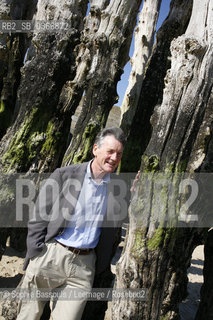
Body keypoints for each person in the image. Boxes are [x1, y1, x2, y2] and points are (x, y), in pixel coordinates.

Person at [17, 126, 128, 320]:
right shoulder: (64, 174)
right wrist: (36, 250)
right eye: (110, 151)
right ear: (95, 149)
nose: (114, 158)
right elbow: (39, 213)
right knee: (28, 316)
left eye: (118, 154)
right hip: (51, 255)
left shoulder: (118, 188)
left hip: (84, 266)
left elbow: (120, 221)